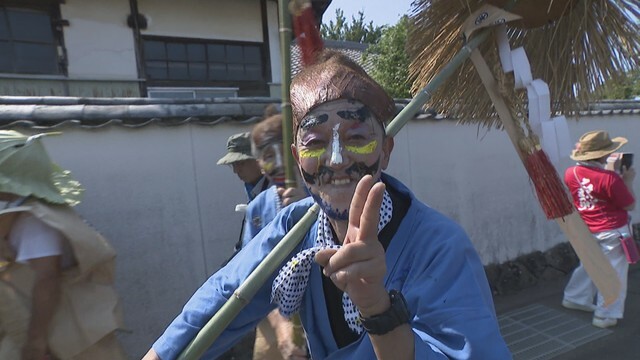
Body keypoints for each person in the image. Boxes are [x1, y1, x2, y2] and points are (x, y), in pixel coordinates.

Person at [144, 51, 510, 359]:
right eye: (315, 142)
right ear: (296, 157)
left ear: (386, 149)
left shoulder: (440, 246)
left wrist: (377, 309)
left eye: (357, 138)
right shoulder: (294, 228)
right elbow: (224, 295)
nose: (335, 160)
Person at [0, 131, 126, 360]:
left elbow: (47, 278)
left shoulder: (34, 220)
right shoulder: (26, 213)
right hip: (45, 326)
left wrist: (35, 343)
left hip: (61, 332)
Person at [245, 114, 308, 360]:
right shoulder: (257, 210)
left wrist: (308, 207)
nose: (280, 163)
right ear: (259, 163)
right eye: (269, 156)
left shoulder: (324, 198)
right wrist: (281, 327)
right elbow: (251, 278)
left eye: (284, 152)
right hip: (273, 324)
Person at [561, 130, 636, 328]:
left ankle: (575, 297)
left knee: (590, 265)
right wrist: (627, 180)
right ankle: (605, 314)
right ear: (603, 155)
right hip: (614, 230)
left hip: (587, 228)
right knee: (613, 273)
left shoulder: (570, 173)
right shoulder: (611, 179)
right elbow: (629, 204)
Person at [218, 132, 270, 202]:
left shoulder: (277, 189)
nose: (236, 170)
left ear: (258, 160)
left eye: (241, 163)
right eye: (233, 164)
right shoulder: (251, 187)